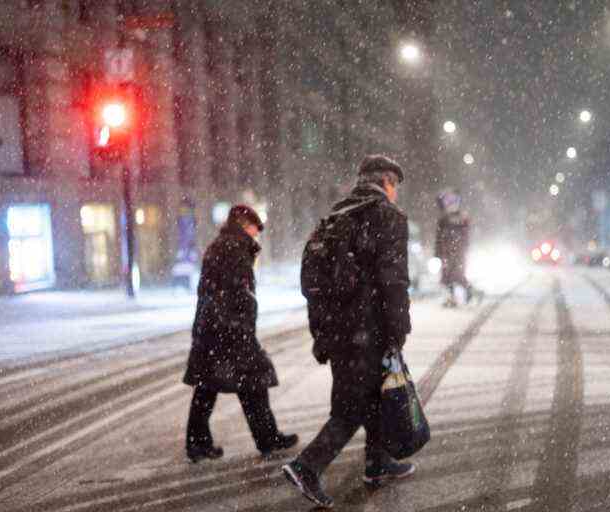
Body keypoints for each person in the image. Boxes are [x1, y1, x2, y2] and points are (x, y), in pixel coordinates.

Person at [283, 155, 415, 508]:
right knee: (352, 407)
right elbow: (393, 280)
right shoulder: (387, 216)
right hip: (367, 328)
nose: (396, 193)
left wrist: (322, 334)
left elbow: (312, 282)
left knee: (372, 398)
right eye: (395, 186)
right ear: (386, 182)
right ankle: (307, 466)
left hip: (339, 330)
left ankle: (377, 463)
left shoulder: (334, 216)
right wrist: (398, 329)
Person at [182, 205, 298, 463]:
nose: (256, 237)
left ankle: (199, 443)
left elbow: (219, 292)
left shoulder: (221, 245)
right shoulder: (233, 248)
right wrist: (241, 325)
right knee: (252, 382)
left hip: (213, 329)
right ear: (245, 226)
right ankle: (267, 438)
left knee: (208, 387)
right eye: (255, 231)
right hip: (228, 330)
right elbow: (237, 292)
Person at [435, 189, 481, 307]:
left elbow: (464, 236)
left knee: (455, 276)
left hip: (455, 252)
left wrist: (440, 251)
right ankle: (454, 297)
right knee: (450, 276)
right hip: (450, 252)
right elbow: (439, 237)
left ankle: (467, 294)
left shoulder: (454, 218)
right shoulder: (445, 219)